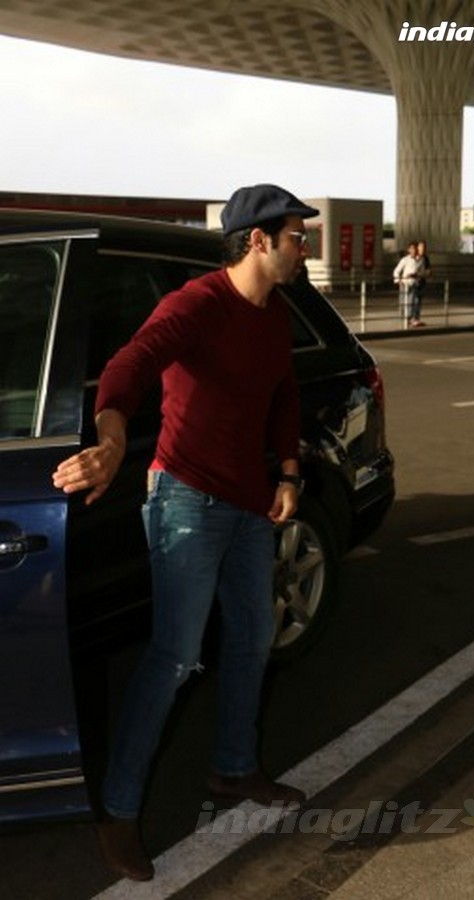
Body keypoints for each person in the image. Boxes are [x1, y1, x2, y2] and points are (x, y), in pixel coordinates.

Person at [52, 184, 320, 882]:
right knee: (173, 658)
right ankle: (116, 810)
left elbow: (284, 391)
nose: (305, 247)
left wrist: (289, 472)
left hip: (249, 503)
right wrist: (110, 441)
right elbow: (128, 365)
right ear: (258, 241)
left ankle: (233, 769)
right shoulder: (197, 305)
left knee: (254, 637)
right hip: (187, 502)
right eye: (297, 235)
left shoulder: (273, 311)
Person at [392, 241, 424, 327]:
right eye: (412, 248)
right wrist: (398, 281)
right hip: (405, 284)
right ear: (409, 250)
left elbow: (422, 272)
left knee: (414, 302)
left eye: (415, 248)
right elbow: (396, 271)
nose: (414, 250)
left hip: (415, 283)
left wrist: (417, 275)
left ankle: (412, 319)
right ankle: (404, 318)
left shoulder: (421, 259)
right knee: (404, 302)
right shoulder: (405, 259)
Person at [415, 239, 432, 322]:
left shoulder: (426, 258)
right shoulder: (413, 257)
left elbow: (429, 271)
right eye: (421, 247)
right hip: (413, 282)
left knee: (418, 300)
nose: (423, 249)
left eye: (424, 247)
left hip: (421, 282)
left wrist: (424, 274)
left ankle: (416, 318)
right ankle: (412, 318)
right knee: (414, 300)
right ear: (417, 247)